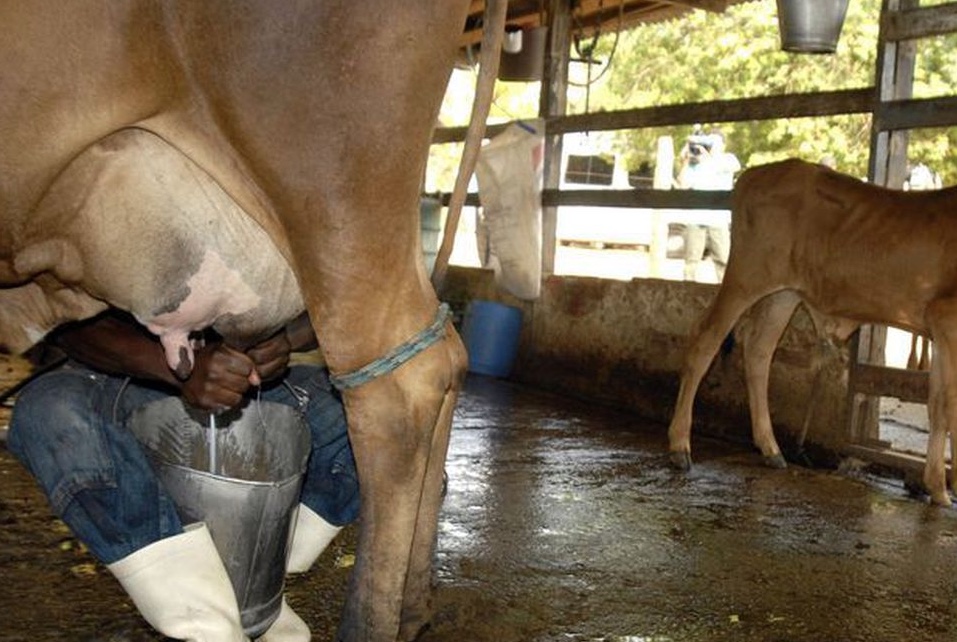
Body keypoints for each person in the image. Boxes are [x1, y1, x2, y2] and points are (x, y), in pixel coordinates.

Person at [7, 308, 359, 642]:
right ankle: (210, 623)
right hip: (118, 376)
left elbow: (336, 296)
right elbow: (67, 326)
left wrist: (283, 338)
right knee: (50, 412)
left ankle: (257, 591)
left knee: (375, 413)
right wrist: (174, 366)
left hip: (236, 380)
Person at [676, 128, 741, 282]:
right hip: (696, 219)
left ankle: (723, 292)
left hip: (718, 220)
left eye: (715, 142)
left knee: (724, 260)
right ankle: (688, 289)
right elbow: (683, 183)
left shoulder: (727, 159)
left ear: (723, 145)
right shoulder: (695, 162)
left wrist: (709, 157)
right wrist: (686, 160)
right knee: (691, 261)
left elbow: (735, 166)